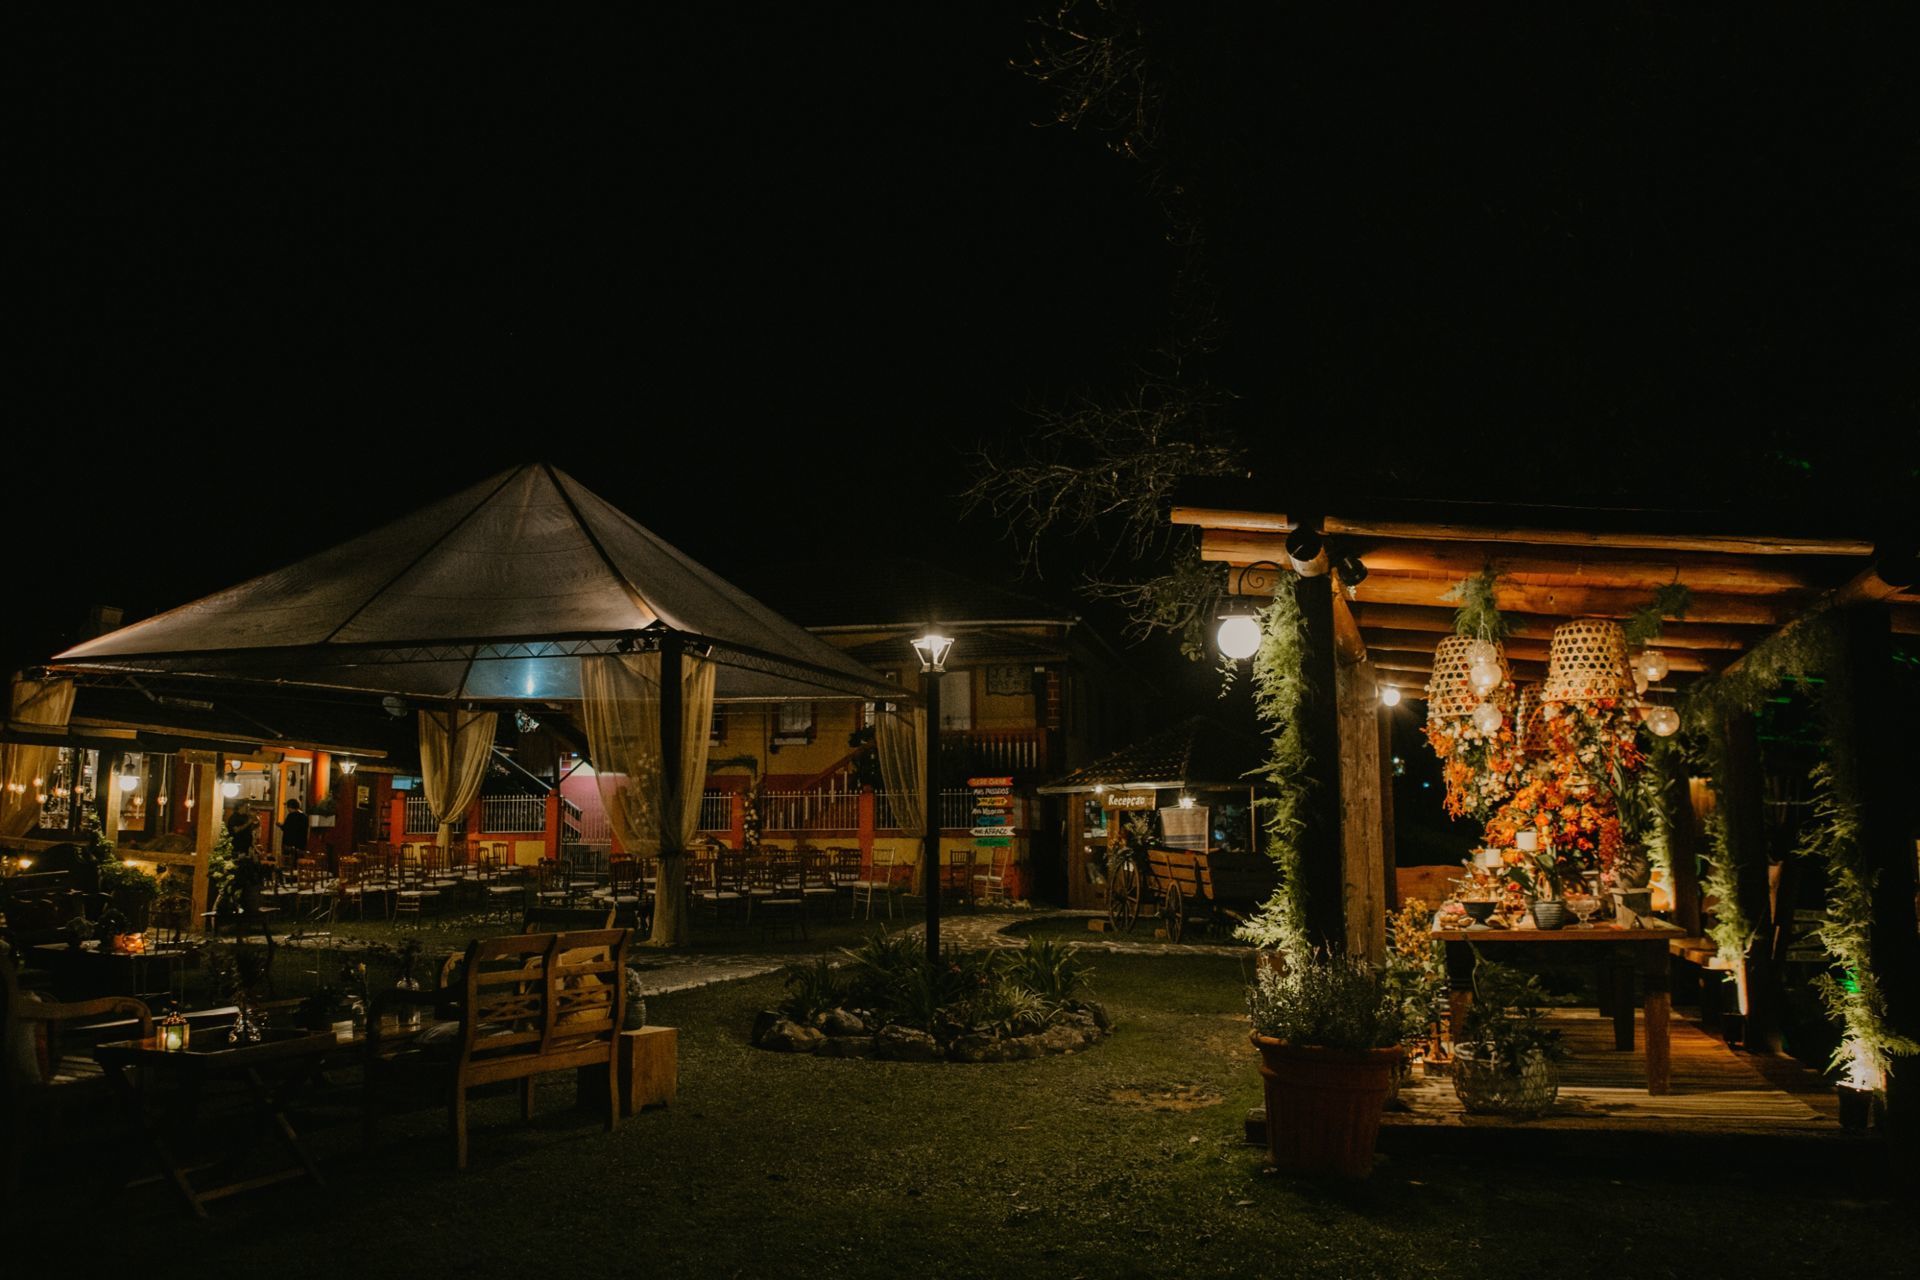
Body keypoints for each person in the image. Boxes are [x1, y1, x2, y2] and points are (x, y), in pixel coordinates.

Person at [279, 798, 310, 862]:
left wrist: (280, 825)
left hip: (289, 844)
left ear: (290, 807)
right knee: (298, 862)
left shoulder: (291, 816)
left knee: (288, 863)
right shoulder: (305, 817)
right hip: (301, 844)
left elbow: (286, 828)